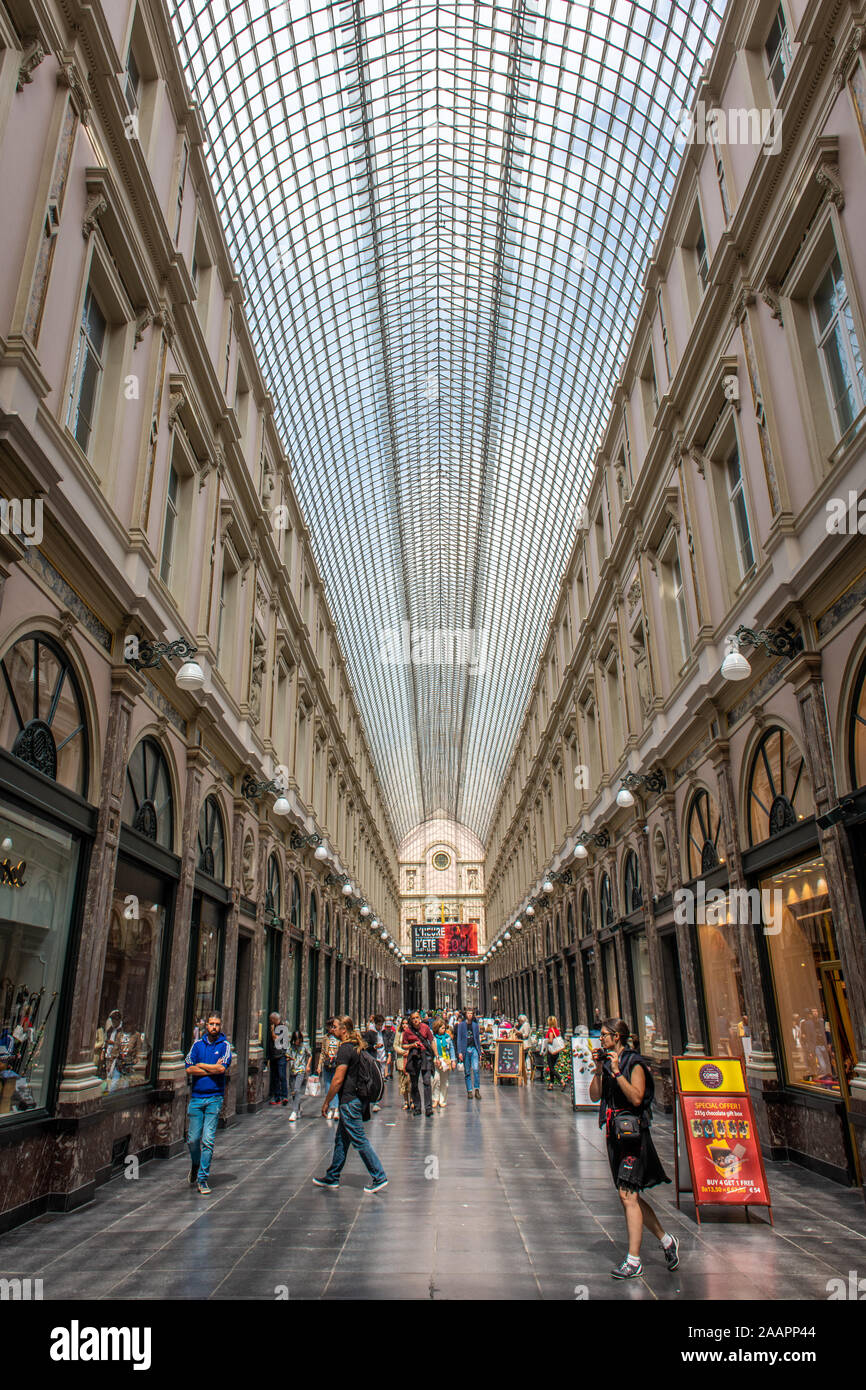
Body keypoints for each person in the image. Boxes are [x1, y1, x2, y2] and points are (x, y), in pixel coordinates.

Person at [589, 1017, 678, 1279]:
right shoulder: (606, 1062)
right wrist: (598, 1068)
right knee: (630, 1196)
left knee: (628, 1196)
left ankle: (634, 1260)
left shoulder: (634, 1063)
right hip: (614, 1134)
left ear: (617, 1036)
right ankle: (666, 1241)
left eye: (605, 1034)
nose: (601, 1038)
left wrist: (617, 1072)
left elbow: (637, 1097)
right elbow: (595, 1096)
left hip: (633, 1137)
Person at [313, 1016, 388, 1193]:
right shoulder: (356, 1047)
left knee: (359, 1140)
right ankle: (333, 1176)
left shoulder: (345, 1049)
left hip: (349, 1101)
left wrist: (326, 1101)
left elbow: (338, 1079)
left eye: (335, 1027)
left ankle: (379, 1176)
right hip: (355, 1099)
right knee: (341, 1139)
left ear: (344, 1029)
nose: (332, 1030)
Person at [184, 1012, 232, 1196]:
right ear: (206, 1025)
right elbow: (189, 1067)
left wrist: (201, 1066)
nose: (214, 1027)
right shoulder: (197, 1045)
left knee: (208, 1140)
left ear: (220, 1026)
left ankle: (203, 1179)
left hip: (214, 1098)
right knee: (193, 1139)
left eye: (217, 1024)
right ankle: (196, 1164)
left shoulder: (225, 1045)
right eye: (211, 1023)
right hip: (196, 1098)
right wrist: (211, 1069)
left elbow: (222, 1068)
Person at [403, 1010, 436, 1115]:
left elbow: (432, 1041)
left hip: (425, 1056)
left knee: (427, 1082)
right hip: (414, 1058)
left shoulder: (425, 1028)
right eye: (413, 1018)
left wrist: (437, 1056)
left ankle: (428, 1108)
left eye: (417, 1017)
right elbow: (403, 1045)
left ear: (420, 1018)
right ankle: (417, 1107)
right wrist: (412, 1045)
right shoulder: (408, 1031)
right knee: (414, 1083)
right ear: (411, 1020)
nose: (415, 1020)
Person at [316, 1017, 340, 1120]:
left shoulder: (339, 1038)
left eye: (334, 1026)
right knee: (328, 1086)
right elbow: (322, 1052)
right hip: (327, 1064)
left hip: (336, 1064)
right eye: (330, 1026)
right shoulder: (325, 1038)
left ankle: (336, 1109)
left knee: (335, 1086)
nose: (332, 1029)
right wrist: (319, 1066)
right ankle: (331, 1107)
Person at [457, 1006, 482, 1099]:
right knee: (467, 1071)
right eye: (468, 1013)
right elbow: (459, 1039)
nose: (470, 1015)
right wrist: (459, 1052)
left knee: (476, 1069)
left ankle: (477, 1090)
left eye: (471, 1013)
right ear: (465, 1014)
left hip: (474, 1048)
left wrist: (479, 1052)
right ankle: (469, 1090)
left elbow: (477, 1039)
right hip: (465, 1049)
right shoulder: (461, 1025)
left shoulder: (475, 1025)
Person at [287, 1030, 311, 1120]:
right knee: (293, 1091)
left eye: (299, 1039)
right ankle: (299, 1108)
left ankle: (294, 1111)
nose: (297, 1042)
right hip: (292, 1070)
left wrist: (308, 1066)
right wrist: (288, 1058)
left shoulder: (304, 1046)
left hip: (301, 1070)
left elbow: (310, 1055)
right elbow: (287, 1055)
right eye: (296, 1040)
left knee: (297, 1089)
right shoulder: (291, 1046)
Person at [432, 1020, 456, 1108]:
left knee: (444, 1081)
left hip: (446, 1061)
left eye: (444, 1028)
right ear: (437, 1028)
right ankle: (435, 1099)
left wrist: (453, 1060)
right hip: (437, 1060)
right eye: (442, 1028)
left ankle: (442, 1100)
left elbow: (451, 1049)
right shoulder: (433, 1038)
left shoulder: (448, 1038)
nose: (444, 1030)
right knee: (436, 1079)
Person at [267, 1012, 288, 1106]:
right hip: (273, 1056)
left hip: (280, 1056)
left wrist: (272, 1030)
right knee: (275, 1077)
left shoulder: (282, 1028)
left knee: (282, 1076)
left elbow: (276, 1040)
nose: (270, 1022)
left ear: (274, 1019)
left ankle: (284, 1096)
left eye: (271, 1020)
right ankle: (277, 1096)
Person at [394, 1016, 411, 1110]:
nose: (405, 1025)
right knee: (403, 1082)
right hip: (401, 1059)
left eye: (406, 1023)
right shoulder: (399, 1033)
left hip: (410, 1059)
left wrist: (409, 1051)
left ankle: (412, 1100)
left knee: (411, 1081)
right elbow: (395, 1045)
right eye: (403, 1023)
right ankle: (405, 1101)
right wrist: (402, 1051)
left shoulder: (411, 1033)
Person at [544, 1016, 564, 1090]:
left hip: (551, 1052)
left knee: (551, 1068)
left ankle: (561, 1081)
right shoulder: (557, 1030)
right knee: (552, 1067)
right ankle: (551, 1084)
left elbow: (551, 1040)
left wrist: (545, 1040)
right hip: (556, 1051)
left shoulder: (550, 1031)